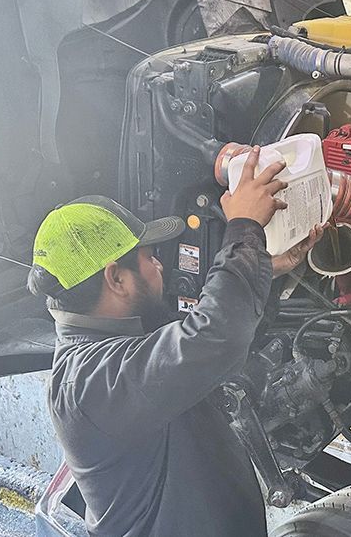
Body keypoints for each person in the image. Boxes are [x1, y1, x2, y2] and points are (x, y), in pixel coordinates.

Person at [27, 147, 321, 537]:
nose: (160, 265)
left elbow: (201, 336)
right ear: (116, 278)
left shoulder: (123, 337)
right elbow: (211, 336)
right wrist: (244, 227)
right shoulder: (88, 384)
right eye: (149, 257)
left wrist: (261, 264)